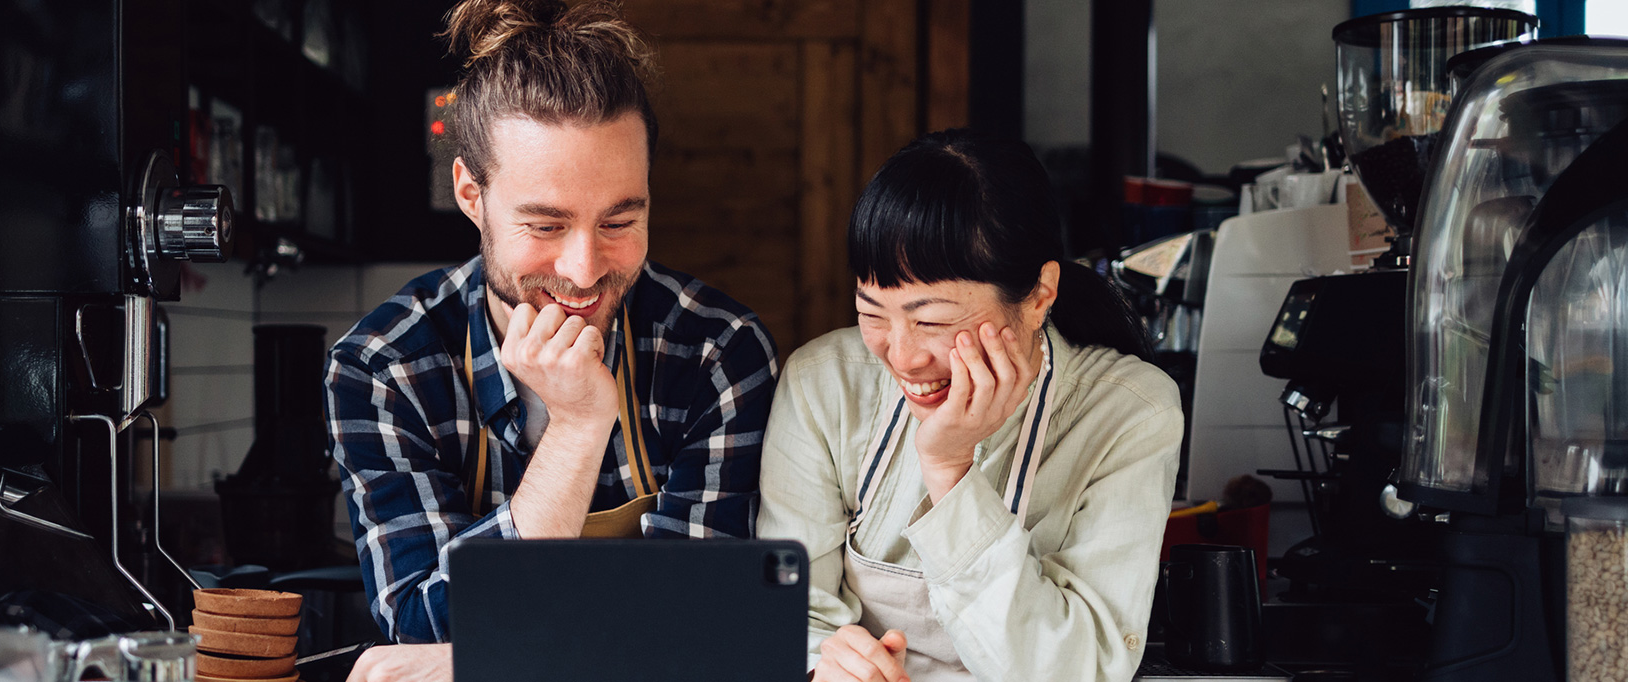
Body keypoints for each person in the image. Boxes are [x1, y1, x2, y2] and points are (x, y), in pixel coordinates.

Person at [325, 0, 780, 676]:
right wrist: (576, 429)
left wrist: (480, 659)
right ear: (471, 193)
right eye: (545, 225)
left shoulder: (719, 356)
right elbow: (423, 623)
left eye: (620, 220)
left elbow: (699, 630)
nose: (585, 268)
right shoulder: (385, 367)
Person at [757, 131, 1182, 682]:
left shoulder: (1129, 412)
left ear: (1037, 297)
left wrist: (949, 469)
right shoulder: (824, 384)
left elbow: (1083, 670)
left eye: (931, 321)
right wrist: (823, 666)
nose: (903, 356)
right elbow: (790, 616)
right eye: (873, 313)